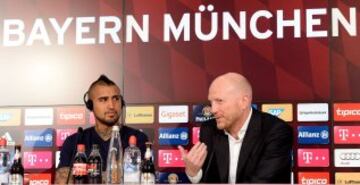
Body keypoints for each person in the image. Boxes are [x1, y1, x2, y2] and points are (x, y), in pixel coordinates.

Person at [179, 72, 293, 183]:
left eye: (219, 101)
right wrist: (194, 173)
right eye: (211, 102)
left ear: (244, 102)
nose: (213, 110)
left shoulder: (276, 131)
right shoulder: (208, 129)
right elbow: (210, 179)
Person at [55, 75, 148, 184]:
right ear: (90, 105)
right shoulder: (74, 141)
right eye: (103, 100)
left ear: (121, 103)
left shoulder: (138, 138)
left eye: (116, 98)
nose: (112, 106)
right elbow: (62, 181)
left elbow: (144, 179)